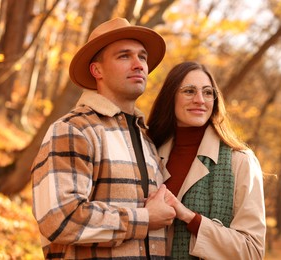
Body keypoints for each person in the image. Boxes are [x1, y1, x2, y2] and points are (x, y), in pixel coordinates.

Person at [31, 17, 176, 259]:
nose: (138, 64)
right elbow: (60, 218)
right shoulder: (74, 129)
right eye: (124, 56)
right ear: (96, 70)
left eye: (142, 56)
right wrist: (145, 218)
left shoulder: (147, 141)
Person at [146, 61, 266, 259]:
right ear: (170, 98)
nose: (200, 100)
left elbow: (252, 251)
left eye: (208, 92)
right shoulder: (147, 153)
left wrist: (189, 217)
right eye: (189, 91)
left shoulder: (241, 161)